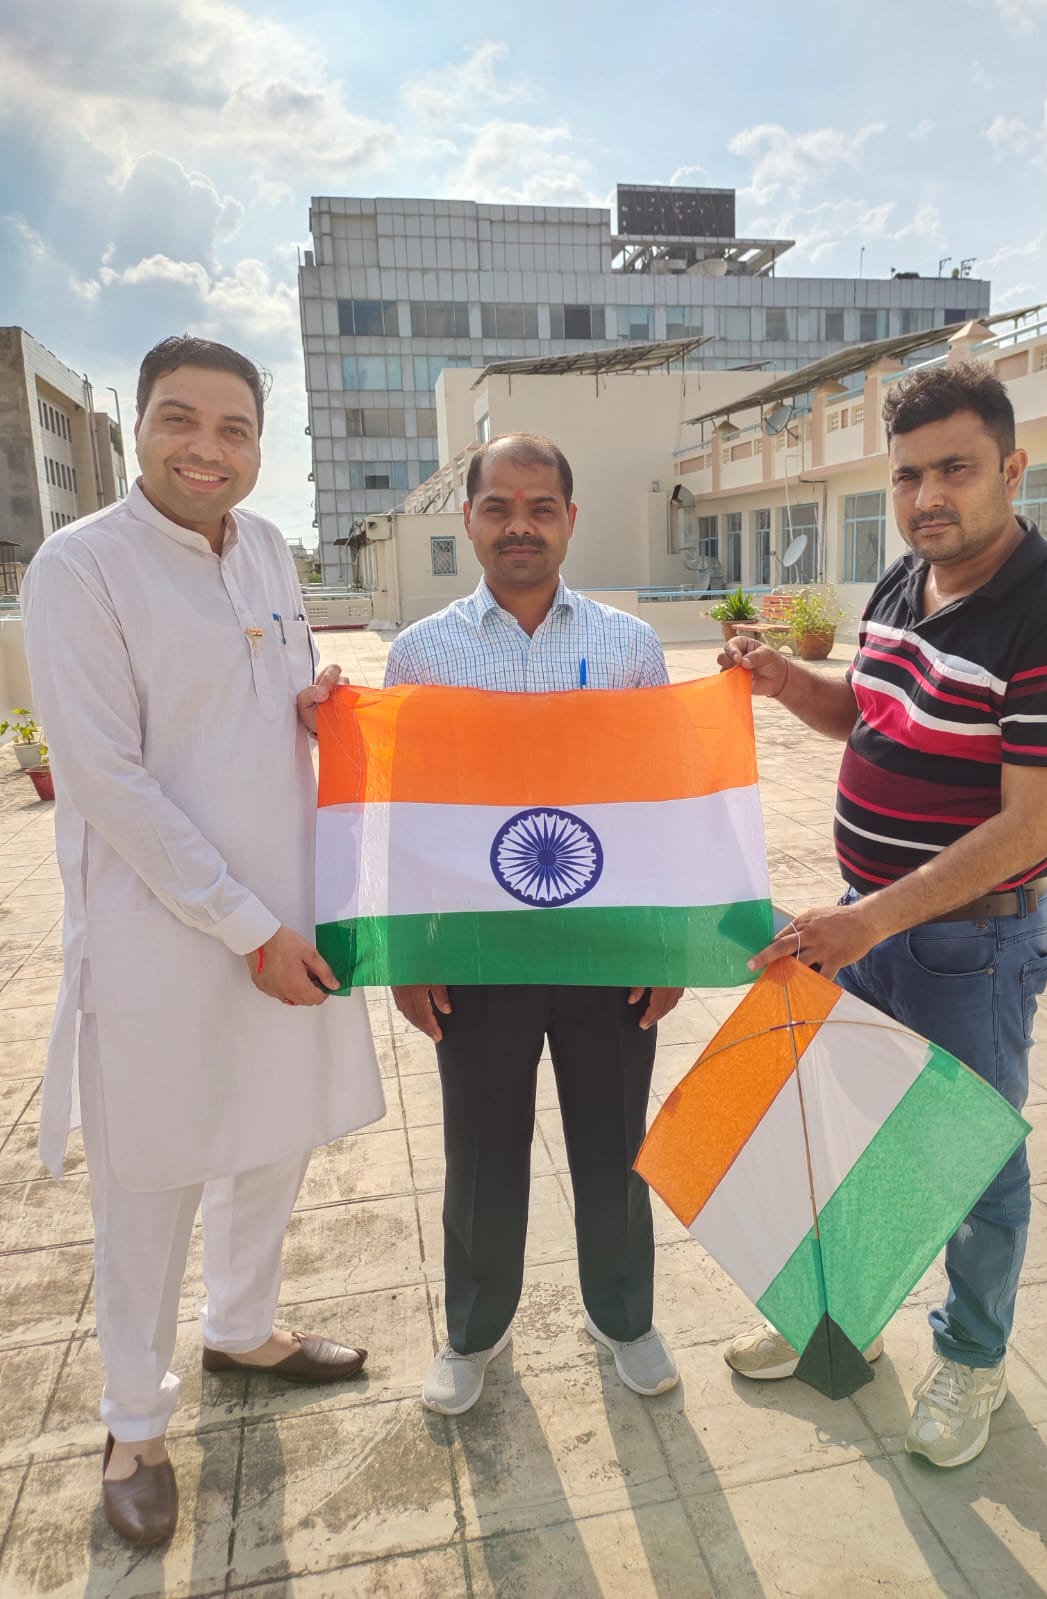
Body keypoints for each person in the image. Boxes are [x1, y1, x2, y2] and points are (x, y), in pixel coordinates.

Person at [721, 362, 1047, 1468]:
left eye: (955, 469)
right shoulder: (907, 579)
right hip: (871, 922)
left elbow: (1028, 826)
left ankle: (973, 1358)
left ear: (1012, 468)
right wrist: (782, 682)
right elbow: (866, 713)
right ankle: (840, 1318)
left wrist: (872, 921)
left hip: (969, 946)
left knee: (972, 1159)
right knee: (854, 1137)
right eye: (908, 476)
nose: (928, 496)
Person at [22, 335, 385, 1546]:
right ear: (137, 428)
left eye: (234, 429)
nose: (206, 449)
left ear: (258, 445)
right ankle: (133, 1422)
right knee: (155, 1176)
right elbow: (108, 781)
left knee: (271, 1135)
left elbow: (258, 700)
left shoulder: (269, 549)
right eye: (180, 420)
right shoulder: (82, 569)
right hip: (165, 936)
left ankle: (242, 1328)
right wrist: (240, 927)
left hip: (287, 913)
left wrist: (313, 706)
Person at [385, 432, 683, 1415]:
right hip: (475, 953)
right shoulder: (419, 653)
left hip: (608, 949)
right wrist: (408, 953)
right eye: (499, 507)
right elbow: (403, 814)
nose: (521, 525)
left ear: (570, 519)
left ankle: (625, 1319)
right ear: (468, 518)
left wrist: (666, 944)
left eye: (541, 507)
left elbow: (660, 805)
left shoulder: (631, 647)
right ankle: (474, 1332)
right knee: (480, 1153)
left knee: (614, 1145)